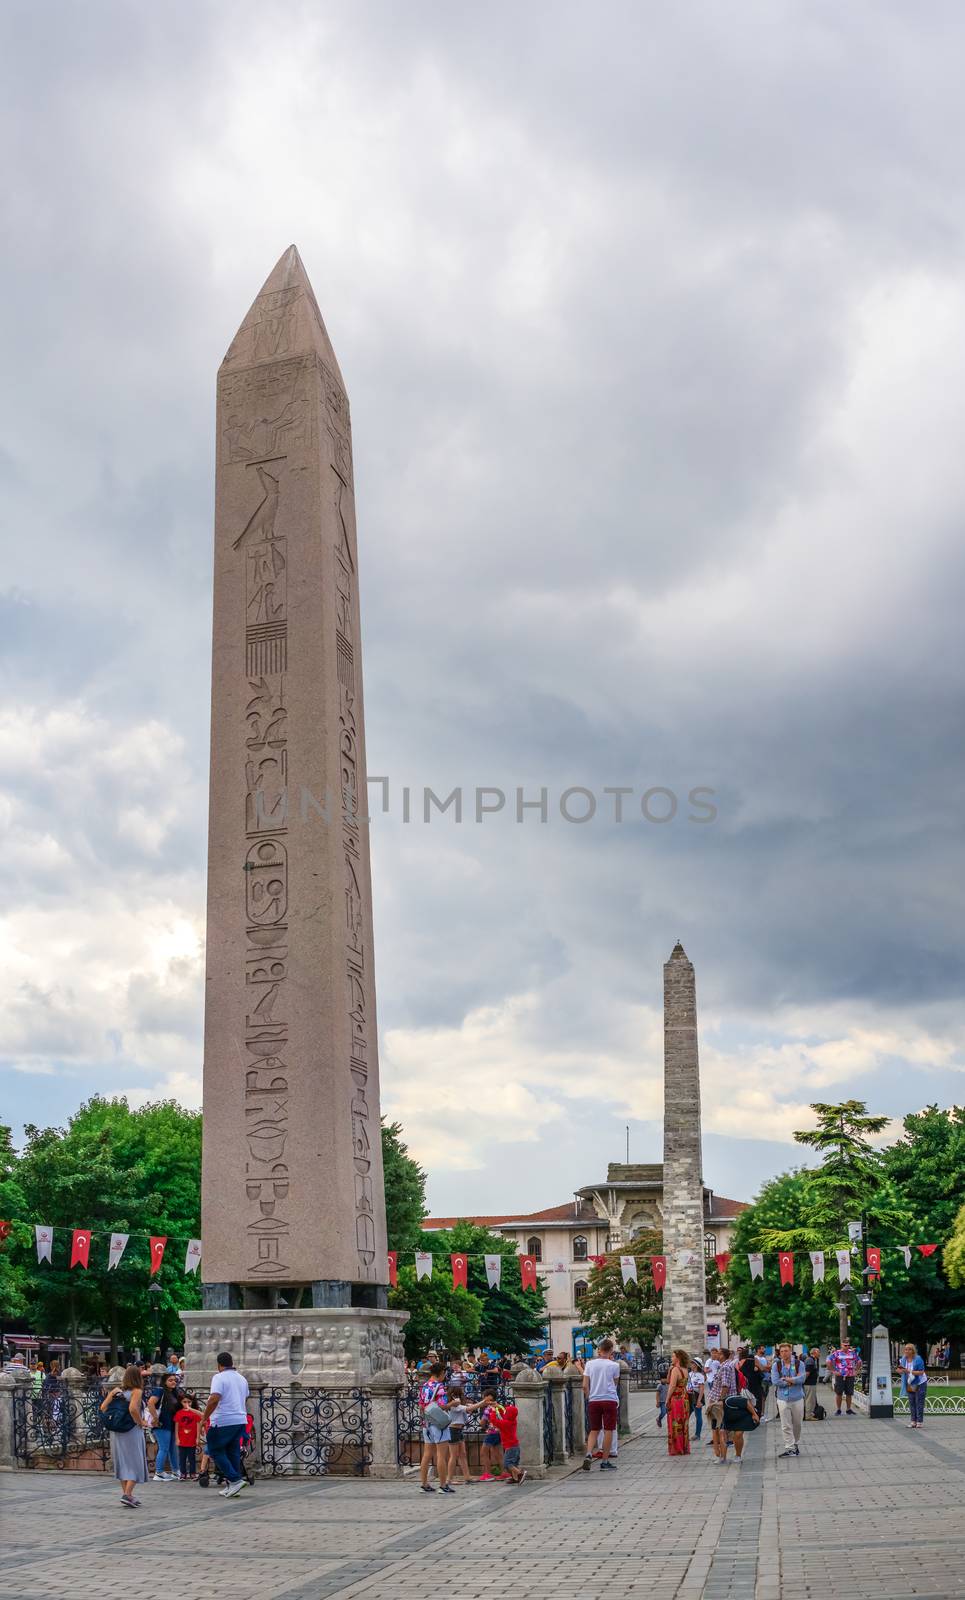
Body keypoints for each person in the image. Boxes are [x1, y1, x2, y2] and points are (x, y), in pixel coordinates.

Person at [199, 1351, 251, 1498]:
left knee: (215, 1450)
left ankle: (234, 1480)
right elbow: (245, 1397)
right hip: (240, 1419)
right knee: (232, 1451)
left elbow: (214, 1398)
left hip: (222, 1420)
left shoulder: (219, 1377)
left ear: (219, 1365)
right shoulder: (242, 1379)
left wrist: (205, 1417)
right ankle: (233, 1484)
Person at [100, 1363, 150, 1508]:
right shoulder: (137, 1391)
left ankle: (127, 1495)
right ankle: (127, 1494)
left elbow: (103, 1408)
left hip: (117, 1431)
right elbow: (133, 1408)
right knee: (135, 1461)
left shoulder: (116, 1390)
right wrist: (141, 1422)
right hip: (131, 1430)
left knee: (123, 1462)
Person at [581, 1338, 620, 1470]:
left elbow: (585, 1385)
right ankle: (604, 1461)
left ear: (599, 1349)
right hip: (609, 1399)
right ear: (610, 1351)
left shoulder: (589, 1364)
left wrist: (589, 1397)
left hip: (594, 1400)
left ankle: (588, 1454)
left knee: (594, 1429)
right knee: (608, 1429)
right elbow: (615, 1383)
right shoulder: (614, 1365)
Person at [418, 1362, 454, 1494]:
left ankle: (424, 1483)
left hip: (426, 1423)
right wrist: (453, 1403)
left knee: (427, 1454)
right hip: (439, 1424)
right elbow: (443, 1406)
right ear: (441, 1373)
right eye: (444, 1373)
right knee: (441, 1454)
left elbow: (421, 1405)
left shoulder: (425, 1386)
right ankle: (443, 1485)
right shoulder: (439, 1387)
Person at [707, 1348, 743, 1463]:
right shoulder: (724, 1366)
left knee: (721, 1430)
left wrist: (720, 1400)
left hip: (722, 1402)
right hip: (720, 1400)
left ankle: (723, 1457)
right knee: (721, 1430)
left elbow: (725, 1385)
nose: (716, 1354)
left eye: (718, 1353)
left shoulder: (726, 1367)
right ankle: (722, 1456)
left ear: (723, 1355)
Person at [771, 1344, 806, 1457]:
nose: (784, 1353)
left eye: (786, 1351)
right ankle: (789, 1447)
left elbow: (802, 1378)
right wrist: (791, 1382)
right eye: (782, 1351)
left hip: (797, 1397)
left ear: (790, 1351)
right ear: (779, 1353)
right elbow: (775, 1381)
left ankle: (795, 1443)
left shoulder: (799, 1364)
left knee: (797, 1424)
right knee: (785, 1425)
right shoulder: (776, 1365)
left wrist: (788, 1379)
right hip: (782, 1398)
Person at [151, 1371, 182, 1481]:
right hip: (162, 1424)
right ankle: (158, 1472)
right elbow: (151, 1403)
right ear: (164, 1382)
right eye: (170, 1380)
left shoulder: (174, 1392)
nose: (173, 1382)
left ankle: (176, 1471)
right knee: (164, 1448)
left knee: (172, 1449)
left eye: (175, 1380)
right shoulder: (160, 1390)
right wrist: (155, 1418)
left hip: (171, 1424)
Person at [663, 1349, 691, 1457]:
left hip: (676, 1399)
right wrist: (670, 1370)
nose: (671, 1358)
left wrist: (667, 1399)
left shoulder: (675, 1370)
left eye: (673, 1356)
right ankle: (684, 1447)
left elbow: (672, 1385)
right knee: (684, 1424)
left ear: (678, 1358)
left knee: (675, 1424)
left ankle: (677, 1448)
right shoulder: (685, 1369)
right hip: (685, 1399)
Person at [493, 1396, 527, 1484]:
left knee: (507, 1464)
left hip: (510, 1446)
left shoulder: (505, 1423)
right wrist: (498, 1406)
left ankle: (520, 1473)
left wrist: (492, 1411)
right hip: (514, 1446)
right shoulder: (512, 1421)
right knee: (513, 1463)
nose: (505, 1413)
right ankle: (515, 1478)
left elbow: (494, 1421)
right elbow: (504, 1415)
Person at [826, 1338, 859, 1416]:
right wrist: (833, 1371)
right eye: (845, 1345)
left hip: (850, 1375)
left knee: (849, 1393)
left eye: (848, 1345)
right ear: (842, 1345)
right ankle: (838, 1409)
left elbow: (859, 1361)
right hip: (840, 1375)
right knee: (839, 1393)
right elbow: (828, 1361)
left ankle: (848, 1409)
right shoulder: (837, 1353)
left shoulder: (852, 1353)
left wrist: (856, 1371)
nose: (847, 1347)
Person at [174, 1392, 204, 1478]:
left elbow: (198, 1426)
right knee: (182, 1458)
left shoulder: (195, 1413)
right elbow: (176, 1427)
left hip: (192, 1439)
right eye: (184, 1402)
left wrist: (198, 1438)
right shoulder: (179, 1413)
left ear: (192, 1402)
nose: (187, 1404)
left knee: (192, 1458)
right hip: (182, 1439)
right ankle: (183, 1473)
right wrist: (177, 1438)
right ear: (181, 1402)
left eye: (189, 1402)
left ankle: (193, 1473)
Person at [900, 1342, 927, 1428]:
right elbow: (901, 1369)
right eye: (906, 1349)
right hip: (910, 1382)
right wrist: (900, 1371)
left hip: (920, 1382)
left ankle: (919, 1421)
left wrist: (909, 1371)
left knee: (919, 1402)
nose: (907, 1351)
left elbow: (921, 1372)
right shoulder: (904, 1359)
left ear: (913, 1351)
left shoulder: (918, 1359)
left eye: (909, 1349)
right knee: (912, 1402)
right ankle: (913, 1421)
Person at [739, 1346, 765, 1425]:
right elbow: (762, 1370)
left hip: (746, 1385)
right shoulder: (755, 1361)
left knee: (748, 1401)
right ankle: (757, 1417)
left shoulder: (742, 1362)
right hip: (756, 1385)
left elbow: (740, 1372)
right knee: (758, 1401)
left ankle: (749, 1417)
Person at [687, 1359, 705, 1440]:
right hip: (689, 1396)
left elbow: (701, 1388)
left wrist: (699, 1400)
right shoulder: (689, 1374)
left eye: (692, 1363)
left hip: (696, 1396)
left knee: (698, 1416)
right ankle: (684, 1433)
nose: (691, 1364)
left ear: (697, 1365)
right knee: (686, 1415)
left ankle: (697, 1435)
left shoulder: (700, 1375)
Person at [802, 1347, 821, 1419]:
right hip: (809, 1384)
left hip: (811, 1383)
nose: (819, 1353)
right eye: (818, 1352)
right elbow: (807, 1373)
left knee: (811, 1399)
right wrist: (803, 1381)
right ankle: (808, 1415)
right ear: (814, 1353)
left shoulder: (812, 1360)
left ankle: (810, 1413)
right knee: (809, 1400)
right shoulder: (810, 1360)